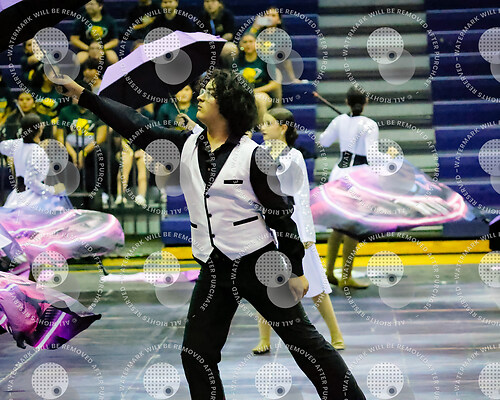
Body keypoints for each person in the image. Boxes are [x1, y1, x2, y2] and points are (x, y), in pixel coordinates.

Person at [54, 69, 365, 400]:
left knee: (305, 345)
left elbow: (281, 217)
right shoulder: (184, 145)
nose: (200, 96)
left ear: (227, 105)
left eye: (209, 92)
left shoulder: (254, 155)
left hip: (261, 263)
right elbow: (134, 125)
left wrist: (297, 271)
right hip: (215, 266)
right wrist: (83, 96)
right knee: (196, 354)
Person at [252, 107, 345, 354]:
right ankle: (264, 339)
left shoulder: (293, 156)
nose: (262, 128)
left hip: (294, 225)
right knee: (266, 284)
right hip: (267, 224)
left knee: (315, 284)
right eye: (262, 123)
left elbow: (302, 197)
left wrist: (307, 235)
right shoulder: (258, 152)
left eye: (268, 123)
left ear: (283, 127)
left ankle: (336, 334)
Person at [319, 87, 378, 289]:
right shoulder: (369, 124)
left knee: (338, 226)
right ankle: (346, 276)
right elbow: (372, 155)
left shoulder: (340, 120)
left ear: (346, 101)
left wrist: (341, 126)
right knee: (352, 228)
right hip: (358, 176)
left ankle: (329, 272)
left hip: (338, 174)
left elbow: (324, 141)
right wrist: (390, 157)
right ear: (366, 101)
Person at [0, 114, 66, 209]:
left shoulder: (17, 144)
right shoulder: (37, 151)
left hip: (16, 197)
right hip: (33, 199)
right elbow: (31, 181)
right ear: (39, 130)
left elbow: (2, 146)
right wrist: (52, 190)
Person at [55, 82, 107, 194]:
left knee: (102, 152)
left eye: (77, 94)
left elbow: (101, 137)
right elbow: (60, 137)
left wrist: (83, 153)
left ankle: (99, 191)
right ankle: (63, 190)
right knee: (58, 151)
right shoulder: (65, 111)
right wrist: (74, 154)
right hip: (70, 146)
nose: (73, 97)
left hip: (91, 147)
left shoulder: (98, 110)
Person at [70, 0, 119, 65]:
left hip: (104, 49)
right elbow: (74, 39)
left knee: (113, 58)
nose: (88, 6)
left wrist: (102, 48)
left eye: (91, 4)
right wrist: (90, 49)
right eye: (87, 4)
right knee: (79, 59)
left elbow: (115, 40)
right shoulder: (80, 20)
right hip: (85, 49)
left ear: (100, 6)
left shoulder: (109, 21)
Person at [237, 32, 281, 100]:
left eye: (251, 41)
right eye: (245, 42)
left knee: (259, 99)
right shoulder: (236, 61)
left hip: (262, 93)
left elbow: (275, 84)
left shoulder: (266, 60)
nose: (248, 44)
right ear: (241, 45)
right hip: (242, 95)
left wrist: (254, 91)